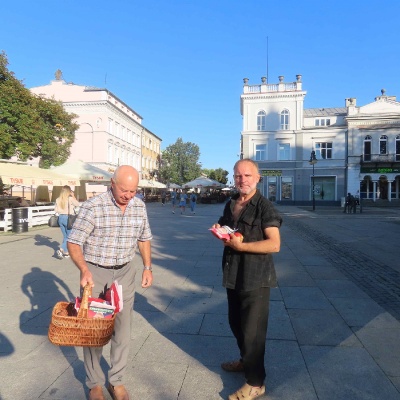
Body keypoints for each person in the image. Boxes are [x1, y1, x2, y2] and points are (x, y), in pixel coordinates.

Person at [67, 165, 153, 400]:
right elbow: (73, 242)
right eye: (124, 190)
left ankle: (117, 380)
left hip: (125, 272)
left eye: (133, 191)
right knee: (94, 330)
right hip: (96, 272)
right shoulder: (93, 207)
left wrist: (147, 267)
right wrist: (84, 269)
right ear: (112, 183)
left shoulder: (139, 206)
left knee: (123, 329)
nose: (128, 195)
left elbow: (144, 238)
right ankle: (95, 382)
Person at [211, 159, 282, 400]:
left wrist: (242, 247)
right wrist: (219, 229)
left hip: (256, 277)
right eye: (239, 176)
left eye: (248, 175)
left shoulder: (265, 207)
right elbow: (225, 226)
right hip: (233, 274)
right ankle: (245, 361)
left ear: (258, 177)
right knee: (235, 323)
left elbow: (274, 244)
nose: (243, 180)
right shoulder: (232, 203)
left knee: (253, 332)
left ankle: (255, 382)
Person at [54, 185, 79, 259]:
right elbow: (77, 204)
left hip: (60, 217)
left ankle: (66, 252)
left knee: (65, 236)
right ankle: (61, 250)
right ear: (69, 192)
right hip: (68, 218)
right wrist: (73, 196)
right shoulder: (70, 199)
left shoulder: (58, 199)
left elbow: (56, 210)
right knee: (69, 236)